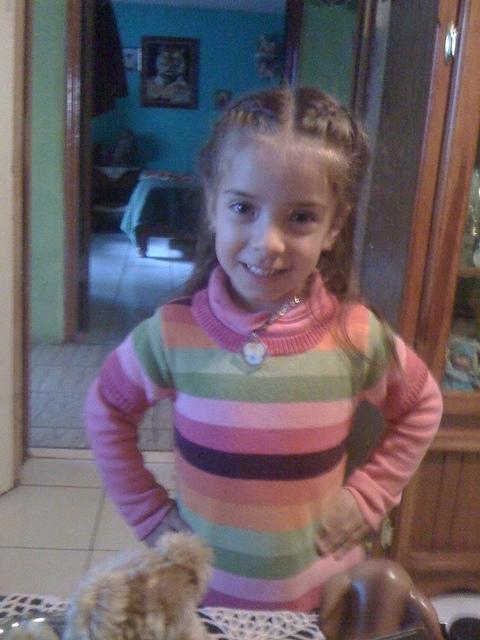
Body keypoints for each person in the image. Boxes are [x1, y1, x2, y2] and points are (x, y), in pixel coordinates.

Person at [85, 86, 443, 612]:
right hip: (204, 604)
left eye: (300, 218)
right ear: (213, 206)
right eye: (243, 208)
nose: (268, 242)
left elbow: (422, 405)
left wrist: (368, 497)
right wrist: (149, 512)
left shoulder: (356, 334)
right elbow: (106, 408)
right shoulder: (172, 333)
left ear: (334, 226)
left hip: (320, 604)